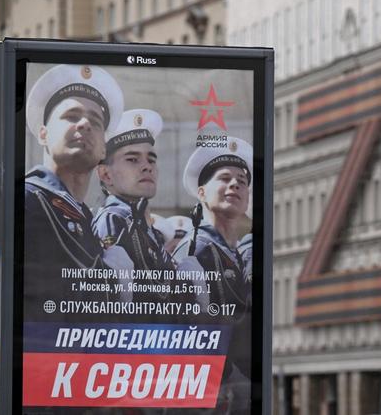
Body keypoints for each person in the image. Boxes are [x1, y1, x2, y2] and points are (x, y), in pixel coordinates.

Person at [24, 64, 130, 322]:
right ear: (43, 134)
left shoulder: (84, 217)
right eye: (71, 116)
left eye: (95, 121)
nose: (84, 124)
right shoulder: (27, 200)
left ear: (104, 150)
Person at [173, 136, 253, 414]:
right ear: (203, 193)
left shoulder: (236, 253)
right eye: (225, 178)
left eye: (242, 181)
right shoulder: (196, 250)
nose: (235, 184)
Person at [93, 109, 177, 307]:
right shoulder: (113, 219)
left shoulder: (145, 228)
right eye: (132, 159)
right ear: (105, 175)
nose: (147, 166)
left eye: (151, 159)